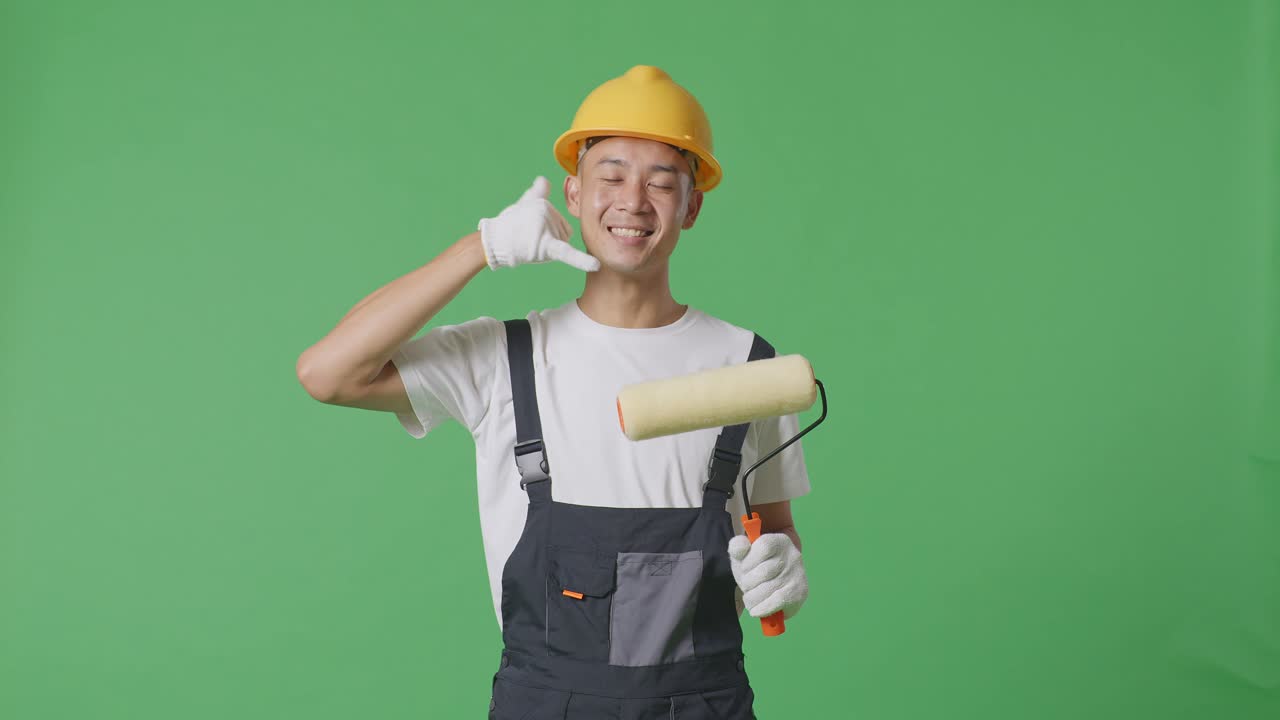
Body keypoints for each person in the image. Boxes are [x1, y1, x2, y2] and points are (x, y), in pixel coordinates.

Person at [297, 65, 811, 719]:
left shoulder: (748, 366)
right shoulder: (503, 358)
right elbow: (327, 373)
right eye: (612, 175)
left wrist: (784, 573)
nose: (633, 200)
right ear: (573, 192)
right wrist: (479, 249)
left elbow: (777, 528)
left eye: (662, 180)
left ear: (692, 204)